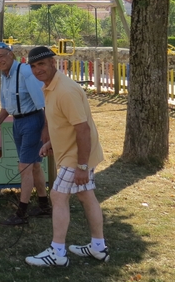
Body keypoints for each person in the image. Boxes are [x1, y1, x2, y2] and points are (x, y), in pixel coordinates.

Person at [25, 46, 109, 267]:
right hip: (76, 154)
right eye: (33, 66)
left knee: (58, 196)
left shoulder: (65, 90)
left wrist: (82, 166)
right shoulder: (51, 86)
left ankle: (57, 252)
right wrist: (53, 142)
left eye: (41, 64)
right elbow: (67, 124)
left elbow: (83, 130)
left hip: (78, 157)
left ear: (54, 62)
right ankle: (98, 247)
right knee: (86, 196)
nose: (37, 70)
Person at [0, 41, 50, 225]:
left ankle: (21, 214)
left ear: (11, 55)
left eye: (1, 56)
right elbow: (7, 106)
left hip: (33, 121)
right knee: (35, 166)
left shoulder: (24, 72)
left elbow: (43, 103)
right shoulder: (5, 76)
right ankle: (44, 206)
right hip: (18, 123)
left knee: (24, 168)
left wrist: (46, 130)